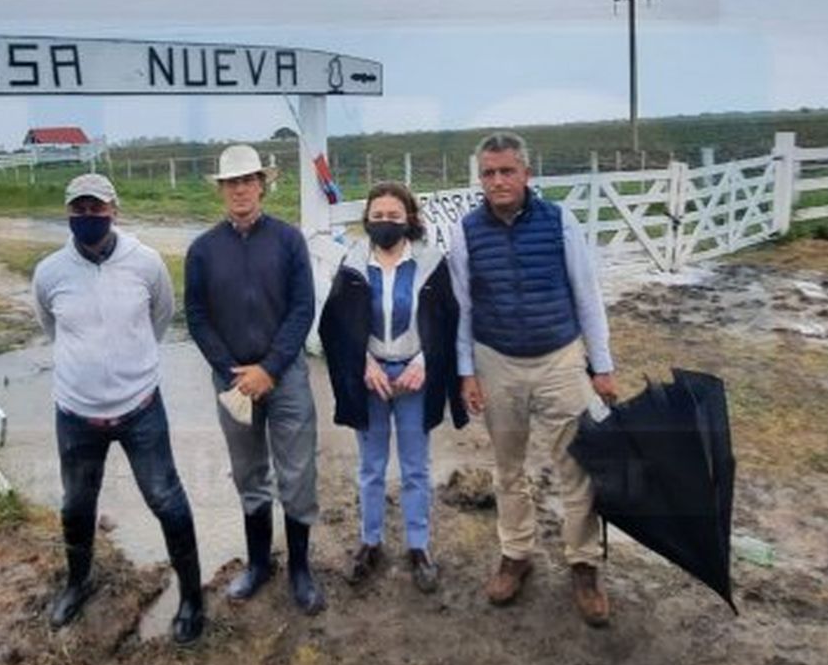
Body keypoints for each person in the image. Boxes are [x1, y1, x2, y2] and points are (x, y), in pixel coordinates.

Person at [447, 132, 620, 626]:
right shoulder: (466, 232)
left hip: (560, 359)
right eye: (488, 173)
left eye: (507, 171)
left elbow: (587, 295)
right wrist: (466, 373)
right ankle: (516, 553)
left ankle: (584, 564)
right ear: (480, 179)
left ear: (527, 174)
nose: (498, 181)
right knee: (508, 468)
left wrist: (600, 365)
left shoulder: (559, 221)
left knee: (575, 466)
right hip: (496, 359)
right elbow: (464, 307)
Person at [32, 173, 205, 645]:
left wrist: (127, 366)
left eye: (97, 208)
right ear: (68, 214)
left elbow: (162, 317)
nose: (88, 217)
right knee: (76, 504)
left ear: (114, 210)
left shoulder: (146, 263)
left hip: (140, 408)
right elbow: (50, 326)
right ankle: (78, 581)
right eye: (79, 210)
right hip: (75, 414)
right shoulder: (49, 273)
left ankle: (193, 597)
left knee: (167, 500)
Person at [184, 144, 325, 614]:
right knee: (249, 473)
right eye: (231, 182)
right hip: (232, 381)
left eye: (248, 180)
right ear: (221, 190)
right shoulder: (203, 250)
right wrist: (233, 374)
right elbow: (198, 317)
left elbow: (303, 307)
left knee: (298, 472)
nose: (240, 189)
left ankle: (301, 569)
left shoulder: (288, 241)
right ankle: (260, 564)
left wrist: (270, 368)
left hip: (283, 377)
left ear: (262, 184)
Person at [319, 181, 466, 593]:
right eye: (378, 216)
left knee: (416, 467)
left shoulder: (431, 263)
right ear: (367, 219)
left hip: (416, 377)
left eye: (394, 216)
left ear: (409, 220)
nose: (385, 223)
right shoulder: (351, 263)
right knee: (370, 467)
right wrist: (363, 362)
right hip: (371, 378)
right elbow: (338, 324)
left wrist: (424, 361)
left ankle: (419, 547)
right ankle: (370, 541)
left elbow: (447, 320)